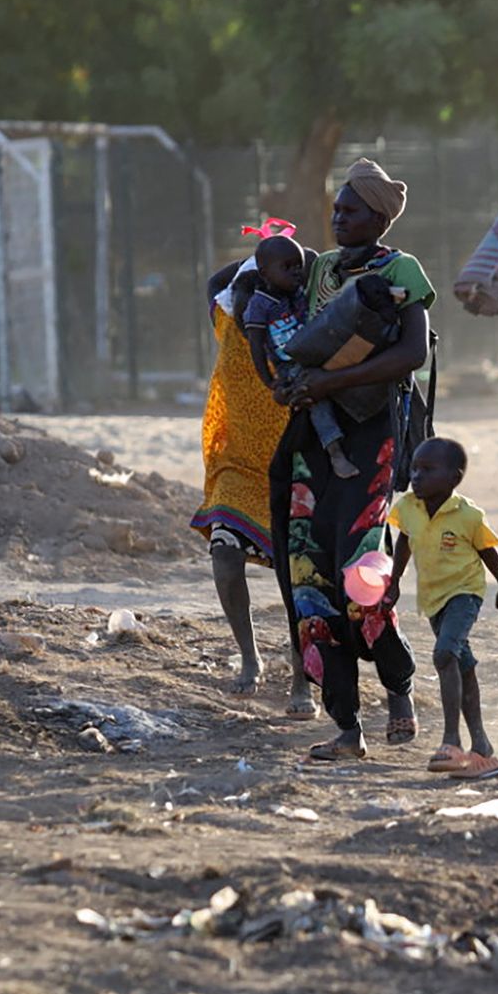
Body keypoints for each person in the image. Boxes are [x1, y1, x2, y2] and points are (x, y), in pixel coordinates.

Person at [271, 158, 433, 761]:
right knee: (310, 578)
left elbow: (412, 353)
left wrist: (329, 385)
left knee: (361, 577)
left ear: (380, 216)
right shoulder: (319, 272)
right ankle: (346, 726)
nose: (338, 218)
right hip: (315, 441)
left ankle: (398, 688)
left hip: (372, 438)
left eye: (351, 210)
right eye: (336, 210)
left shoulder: (401, 269)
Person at [191, 235, 314, 715]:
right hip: (237, 465)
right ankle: (250, 658)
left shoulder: (295, 327)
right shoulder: (226, 319)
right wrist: (255, 256)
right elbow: (215, 282)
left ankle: (303, 678)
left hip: (293, 464)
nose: (248, 306)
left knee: (296, 579)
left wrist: (286, 259)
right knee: (224, 555)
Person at [384, 438, 498, 778]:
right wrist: (394, 582)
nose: (416, 476)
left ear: (454, 478)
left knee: (444, 655)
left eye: (428, 470)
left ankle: (451, 740)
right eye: (414, 468)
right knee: (462, 664)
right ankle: (482, 744)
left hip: (464, 593)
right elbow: (405, 542)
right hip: (433, 599)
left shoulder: (468, 514)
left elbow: (487, 550)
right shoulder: (408, 507)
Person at [240, 233, 361, 479]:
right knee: (315, 399)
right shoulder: (259, 305)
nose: (296, 272)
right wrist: (270, 381)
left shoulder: (299, 294)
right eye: (287, 267)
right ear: (265, 273)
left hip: (317, 354)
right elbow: (256, 346)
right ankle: (334, 450)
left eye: (298, 266)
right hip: (290, 366)